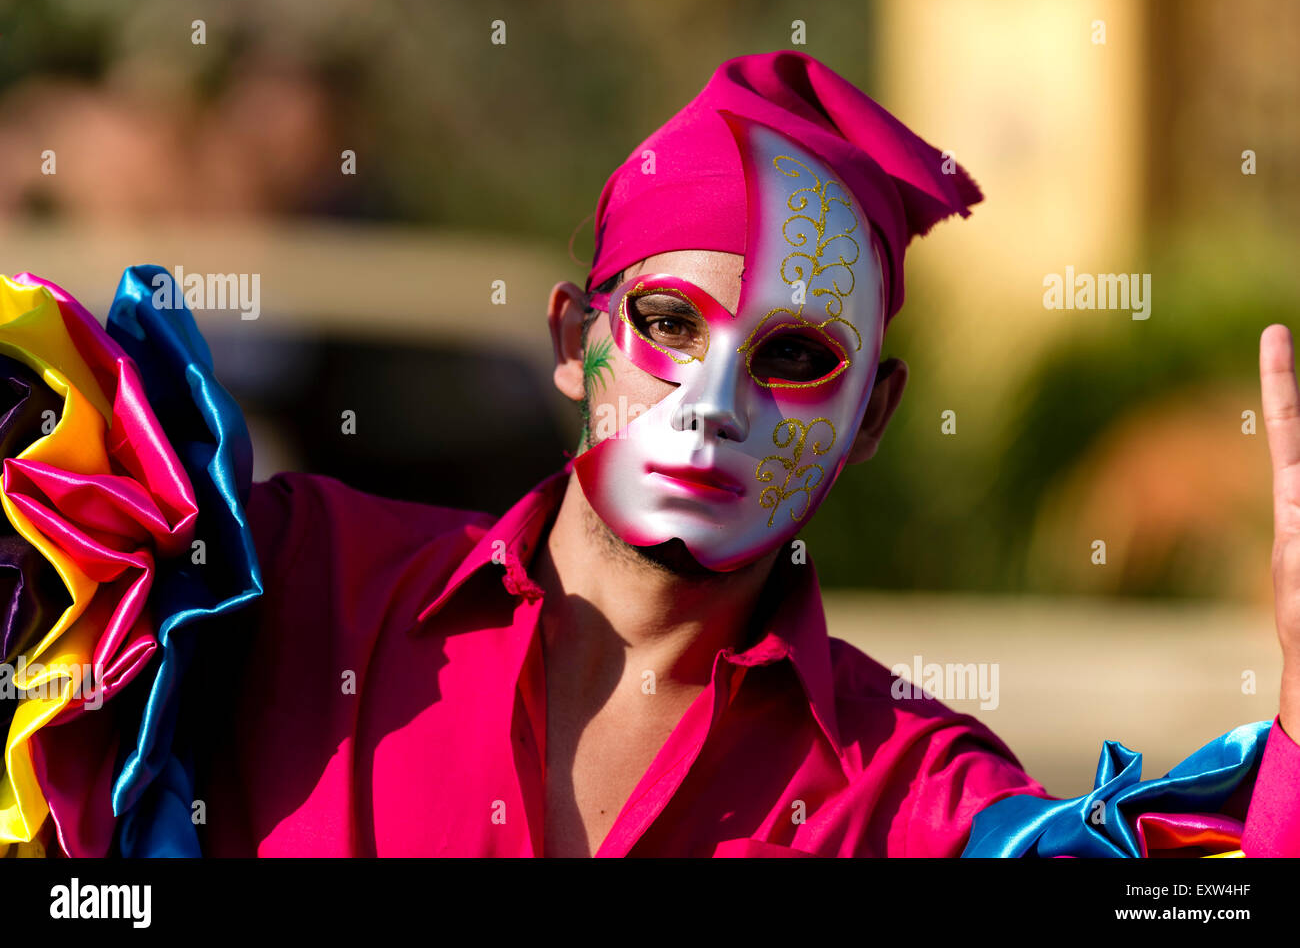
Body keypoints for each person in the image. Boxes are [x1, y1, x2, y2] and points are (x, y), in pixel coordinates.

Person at [189, 51, 1300, 857]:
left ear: (871, 418)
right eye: (670, 324)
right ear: (574, 340)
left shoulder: (910, 794)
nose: (714, 404)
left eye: (795, 354)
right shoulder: (285, 584)